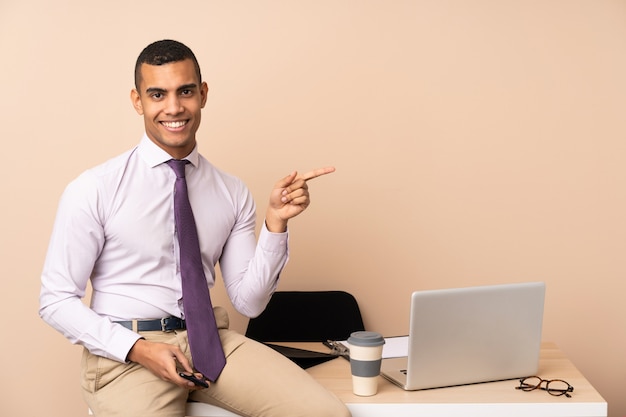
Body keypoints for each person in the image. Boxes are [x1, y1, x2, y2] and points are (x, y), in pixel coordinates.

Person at [39, 39, 350, 417]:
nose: (174, 107)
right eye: (158, 94)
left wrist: (276, 224)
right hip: (128, 353)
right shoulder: (95, 188)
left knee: (325, 414)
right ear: (138, 101)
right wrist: (138, 348)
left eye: (185, 91)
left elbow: (249, 302)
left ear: (202, 94)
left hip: (210, 341)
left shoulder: (231, 191)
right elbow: (55, 300)